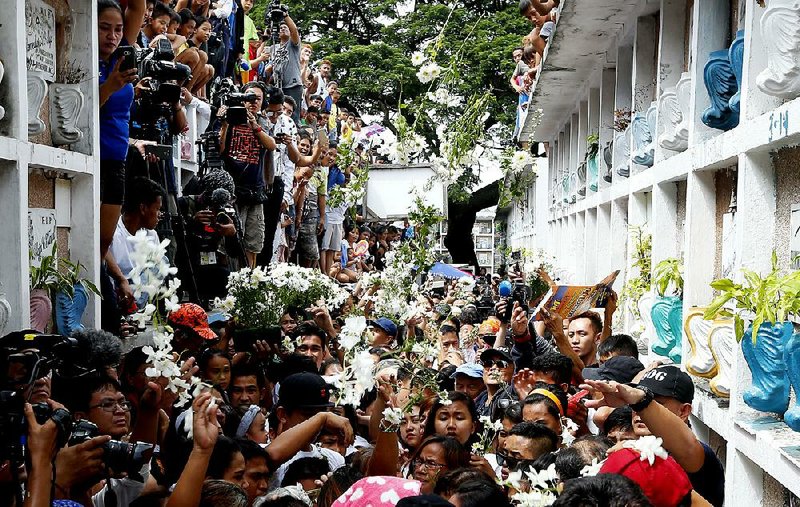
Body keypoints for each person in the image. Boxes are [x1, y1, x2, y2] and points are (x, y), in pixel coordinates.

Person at [583, 365, 725, 507]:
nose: (639, 412)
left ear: (683, 411)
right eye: (633, 405)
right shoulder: (632, 449)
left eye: (656, 403)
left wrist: (641, 401)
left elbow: (688, 447)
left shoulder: (697, 455)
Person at [99, 0, 146, 259]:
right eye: (105, 28)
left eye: (118, 29)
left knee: (104, 241)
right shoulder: (86, 58)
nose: (113, 36)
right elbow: (84, 107)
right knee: (93, 239)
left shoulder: (121, 54)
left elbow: (138, 6)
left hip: (118, 159)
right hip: (96, 156)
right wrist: (111, 85)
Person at [220, 82, 277, 268]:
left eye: (258, 99)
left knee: (253, 243)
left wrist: (255, 125)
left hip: (255, 190)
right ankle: (230, 282)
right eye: (249, 97)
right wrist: (224, 123)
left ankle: (249, 283)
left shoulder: (262, 122)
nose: (253, 102)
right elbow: (220, 149)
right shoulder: (230, 117)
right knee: (229, 241)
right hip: (233, 190)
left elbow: (271, 145)